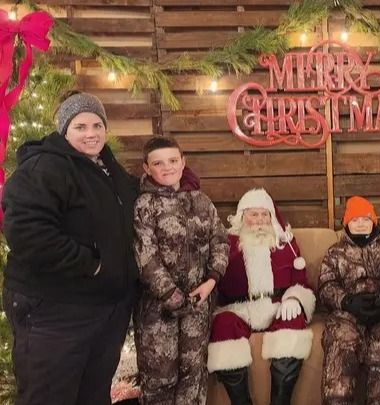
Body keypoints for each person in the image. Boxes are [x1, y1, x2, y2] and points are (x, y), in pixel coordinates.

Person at [1, 91, 139, 405]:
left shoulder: (109, 169)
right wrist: (91, 264)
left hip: (102, 312)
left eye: (97, 125)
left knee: (92, 395)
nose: (91, 134)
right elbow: (27, 232)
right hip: (55, 310)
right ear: (64, 129)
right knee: (49, 396)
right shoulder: (44, 168)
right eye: (80, 126)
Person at [132, 136, 229, 404]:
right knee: (159, 379)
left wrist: (211, 282)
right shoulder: (144, 205)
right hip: (158, 311)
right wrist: (172, 296)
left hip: (199, 304)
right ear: (146, 168)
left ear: (183, 162)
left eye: (173, 160)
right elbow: (145, 256)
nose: (167, 167)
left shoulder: (202, 201)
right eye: (158, 163)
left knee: (193, 377)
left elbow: (220, 241)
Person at [208, 188, 316, 405]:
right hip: (240, 308)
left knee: (293, 319)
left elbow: (300, 280)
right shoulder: (226, 245)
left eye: (264, 214)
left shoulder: (285, 244)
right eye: (253, 214)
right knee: (222, 324)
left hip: (277, 305)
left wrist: (294, 298)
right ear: (242, 216)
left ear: (271, 217)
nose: (259, 220)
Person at [319, 196, 380, 405]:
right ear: (346, 223)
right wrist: (346, 301)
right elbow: (325, 285)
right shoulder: (335, 252)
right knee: (341, 342)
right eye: (355, 219)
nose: (360, 223)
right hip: (346, 316)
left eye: (365, 219)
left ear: (374, 222)